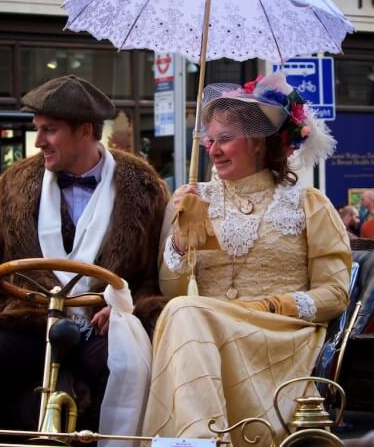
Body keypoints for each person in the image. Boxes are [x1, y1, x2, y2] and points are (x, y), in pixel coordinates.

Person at [0, 75, 168, 439]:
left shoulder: (143, 186)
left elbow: (156, 277)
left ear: (85, 131)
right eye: (38, 130)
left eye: (50, 130)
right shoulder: (14, 184)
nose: (39, 140)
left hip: (102, 328)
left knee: (124, 370)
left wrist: (128, 310)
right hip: (28, 321)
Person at [141, 73, 352, 446]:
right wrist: (179, 239)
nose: (213, 148)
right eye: (210, 139)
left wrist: (276, 304)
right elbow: (171, 290)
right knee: (181, 311)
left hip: (280, 341)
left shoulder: (307, 203)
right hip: (207, 339)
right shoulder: (194, 200)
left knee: (186, 313)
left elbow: (335, 293)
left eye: (226, 139)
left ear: (257, 143)